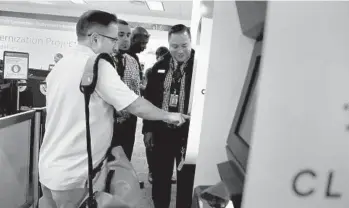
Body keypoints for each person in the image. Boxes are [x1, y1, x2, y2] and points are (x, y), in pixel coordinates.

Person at [38, 10, 189, 208]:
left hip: (49, 168)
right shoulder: (97, 65)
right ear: (95, 38)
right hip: (74, 173)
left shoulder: (61, 65)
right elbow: (134, 104)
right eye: (112, 39)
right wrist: (169, 115)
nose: (116, 45)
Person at [143, 24, 195, 208]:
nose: (179, 51)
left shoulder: (200, 67)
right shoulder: (159, 67)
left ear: (191, 42)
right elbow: (148, 101)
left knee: (187, 180)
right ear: (168, 44)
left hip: (188, 134)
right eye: (174, 46)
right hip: (162, 131)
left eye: (184, 45)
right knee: (160, 178)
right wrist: (148, 129)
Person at [110, 19, 141, 161]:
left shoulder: (132, 61)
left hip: (128, 122)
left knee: (124, 161)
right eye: (121, 34)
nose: (125, 39)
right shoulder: (102, 60)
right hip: (107, 122)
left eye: (128, 35)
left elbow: (136, 92)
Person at [142, 46, 172, 184]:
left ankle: (162, 173)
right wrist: (147, 128)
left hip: (168, 122)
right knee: (151, 147)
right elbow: (148, 96)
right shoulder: (152, 70)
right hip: (154, 118)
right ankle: (152, 171)